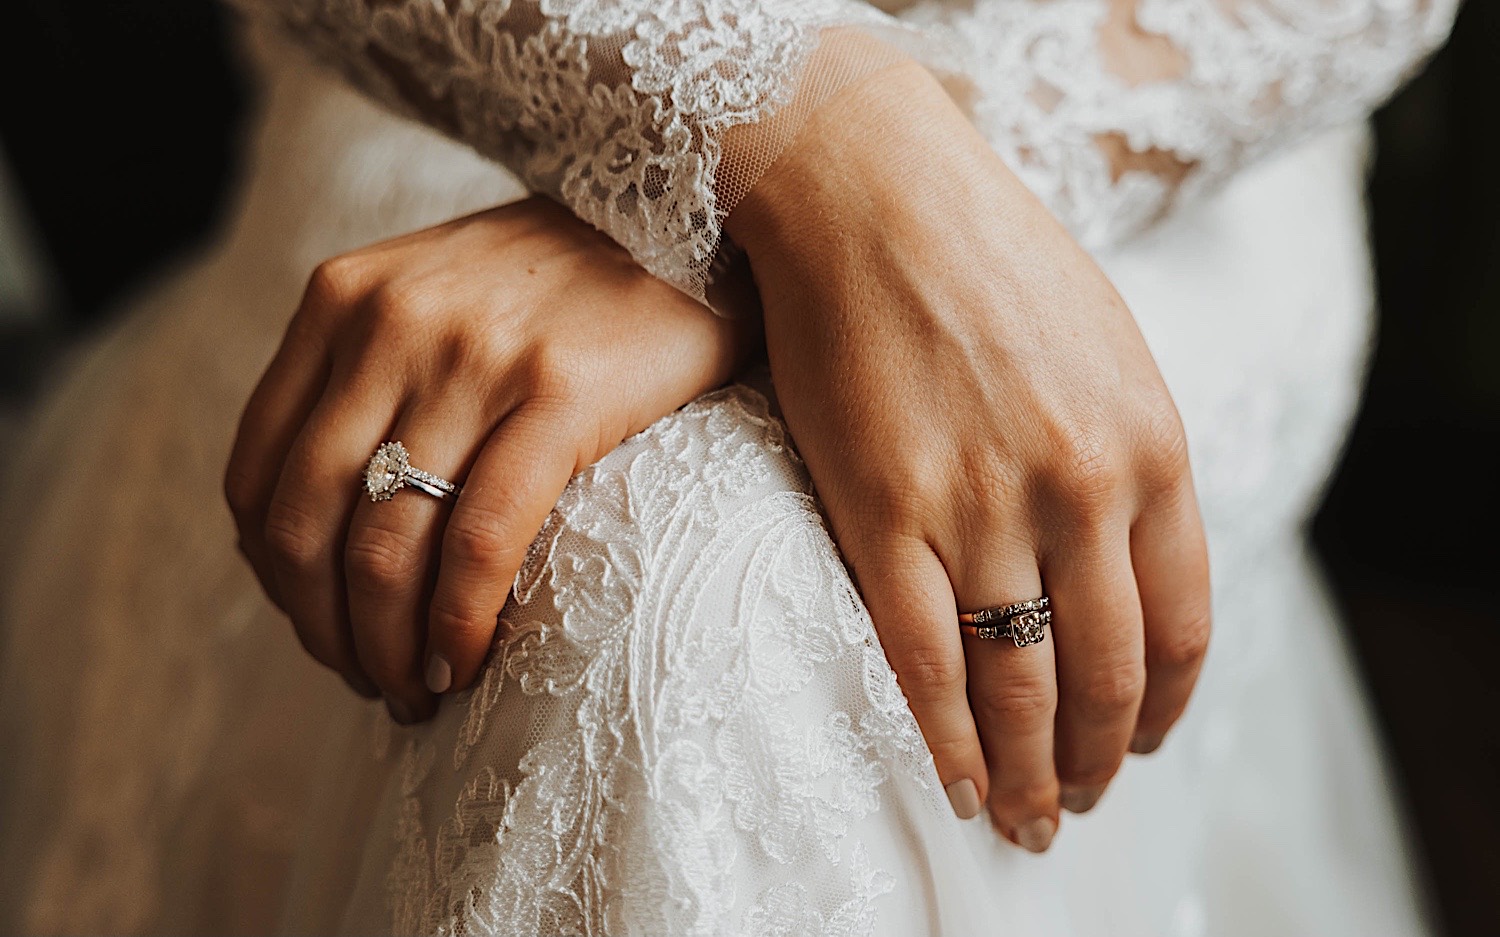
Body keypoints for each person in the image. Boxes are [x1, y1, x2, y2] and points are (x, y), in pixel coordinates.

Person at [0, 0, 1458, 933]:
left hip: (1141, 70)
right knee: (617, 566)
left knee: (714, 581)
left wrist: (889, 197)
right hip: (500, 65)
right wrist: (773, 139)